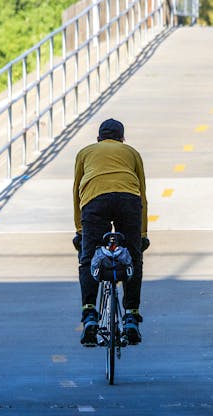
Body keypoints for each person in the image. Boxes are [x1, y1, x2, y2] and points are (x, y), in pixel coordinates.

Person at [72, 118, 148, 347]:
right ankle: (132, 316)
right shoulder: (131, 153)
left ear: (98, 139)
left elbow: (77, 192)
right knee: (134, 258)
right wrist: (142, 234)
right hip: (128, 200)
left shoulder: (85, 153)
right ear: (122, 139)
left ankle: (89, 315)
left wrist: (80, 231)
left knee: (88, 258)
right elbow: (142, 195)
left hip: (95, 201)